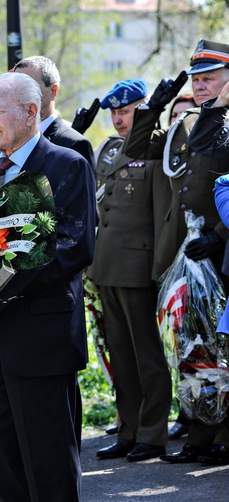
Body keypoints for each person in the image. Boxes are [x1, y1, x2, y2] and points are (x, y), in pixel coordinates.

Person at [0, 72, 96, 501]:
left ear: (30, 111)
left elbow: (74, 247)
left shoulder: (66, 164)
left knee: (48, 461)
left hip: (40, 336)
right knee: (4, 461)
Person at [122, 40, 229, 465]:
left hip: (216, 254)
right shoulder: (188, 124)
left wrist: (220, 235)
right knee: (190, 350)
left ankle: (224, 433)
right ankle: (200, 432)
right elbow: (137, 149)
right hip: (180, 256)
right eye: (197, 80)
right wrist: (152, 106)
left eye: (210, 79)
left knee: (221, 349)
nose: (201, 87)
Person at [89, 79, 172, 462]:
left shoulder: (158, 146)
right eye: (115, 113)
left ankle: (153, 433)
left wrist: (159, 267)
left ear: (143, 108)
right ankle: (129, 429)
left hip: (138, 266)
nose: (119, 119)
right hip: (107, 266)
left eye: (126, 111)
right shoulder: (107, 150)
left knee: (146, 354)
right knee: (120, 354)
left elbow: (161, 213)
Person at [165, 93, 197, 442]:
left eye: (185, 116)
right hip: (174, 256)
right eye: (174, 116)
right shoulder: (170, 151)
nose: (180, 122)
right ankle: (189, 414)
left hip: (206, 255)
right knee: (180, 345)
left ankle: (209, 424)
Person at [12, 55, 95, 168]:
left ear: (53, 91)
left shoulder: (75, 144)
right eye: (15, 88)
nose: (20, 96)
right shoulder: (9, 140)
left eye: (29, 88)